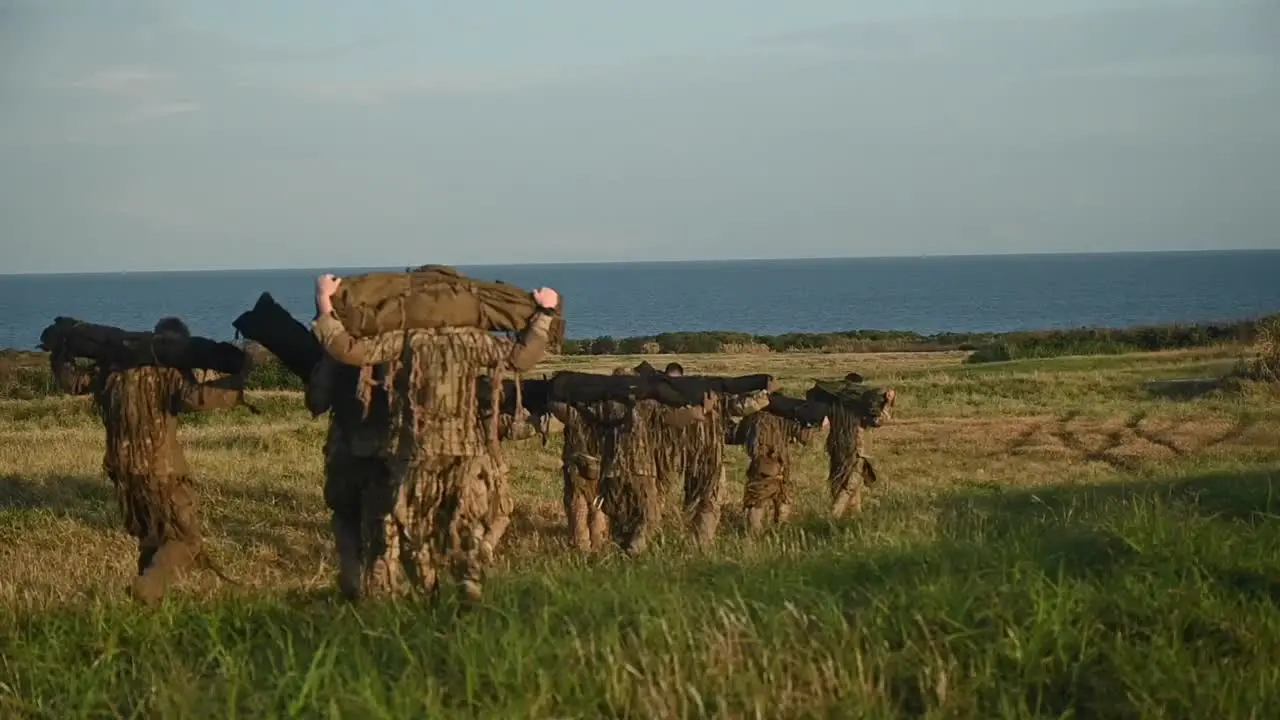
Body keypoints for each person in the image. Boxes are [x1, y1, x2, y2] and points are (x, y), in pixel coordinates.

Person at [310, 273, 558, 603]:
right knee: (462, 519)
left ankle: (429, 592)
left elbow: (349, 350)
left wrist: (324, 302)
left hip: (416, 449)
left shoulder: (406, 339)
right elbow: (520, 358)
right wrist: (545, 314)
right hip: (465, 450)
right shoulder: (473, 340)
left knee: (412, 522)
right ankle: (467, 576)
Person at [50, 317, 250, 606]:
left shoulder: (112, 369)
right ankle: (149, 586)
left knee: (152, 538)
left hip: (123, 473)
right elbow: (195, 398)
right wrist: (238, 383)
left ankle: (148, 606)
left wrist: (60, 352)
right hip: (161, 471)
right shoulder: (168, 372)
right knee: (186, 540)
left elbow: (73, 382)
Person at [303, 351, 391, 602]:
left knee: (345, 518)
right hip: (385, 452)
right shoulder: (398, 344)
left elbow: (316, 401)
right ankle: (379, 589)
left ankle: (352, 579)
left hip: (345, 451)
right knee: (383, 523)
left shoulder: (338, 351)